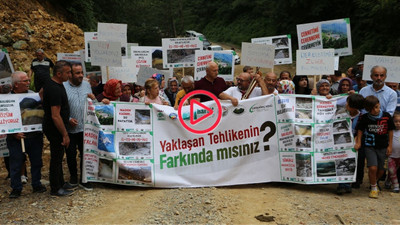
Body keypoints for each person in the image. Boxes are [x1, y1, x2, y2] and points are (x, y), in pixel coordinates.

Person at [7, 71, 46, 198]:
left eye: (29, 80)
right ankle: (16, 188)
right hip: (15, 139)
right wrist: (13, 133)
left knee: (37, 162)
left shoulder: (34, 96)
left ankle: (36, 184)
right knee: (16, 164)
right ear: (16, 84)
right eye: (25, 81)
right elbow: (3, 120)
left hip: (35, 136)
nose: (29, 83)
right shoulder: (6, 100)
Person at [42, 60, 74, 196]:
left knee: (59, 156)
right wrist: (65, 134)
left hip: (55, 126)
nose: (70, 75)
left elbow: (41, 93)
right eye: (68, 72)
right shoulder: (54, 89)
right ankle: (55, 188)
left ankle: (60, 182)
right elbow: (55, 115)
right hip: (55, 128)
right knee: (56, 158)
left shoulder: (53, 84)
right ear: (59, 74)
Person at [354, 95, 395, 198]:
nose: (376, 110)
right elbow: (360, 130)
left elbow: (390, 131)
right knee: (372, 168)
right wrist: (358, 142)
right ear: (368, 109)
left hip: (383, 146)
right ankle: (373, 188)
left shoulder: (386, 116)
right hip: (370, 146)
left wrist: (390, 145)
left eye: (377, 107)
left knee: (381, 169)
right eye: (372, 109)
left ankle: (374, 182)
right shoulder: (365, 118)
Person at [63, 63, 95, 191]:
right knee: (70, 155)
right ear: (70, 74)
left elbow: (91, 104)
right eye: (77, 73)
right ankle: (73, 178)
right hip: (69, 129)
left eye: (81, 72)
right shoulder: (63, 87)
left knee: (85, 154)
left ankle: (84, 179)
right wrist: (68, 119)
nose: (81, 75)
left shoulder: (87, 85)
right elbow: (59, 107)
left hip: (85, 128)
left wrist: (95, 100)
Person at [336, 94, 365, 195]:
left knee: (350, 163)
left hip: (354, 143)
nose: (346, 104)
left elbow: (360, 130)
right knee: (341, 161)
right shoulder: (341, 113)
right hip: (341, 143)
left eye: (348, 103)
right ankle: (341, 185)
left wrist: (357, 141)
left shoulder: (361, 117)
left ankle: (347, 184)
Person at [388, 111, 400, 193]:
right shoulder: (389, 131)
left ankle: (388, 181)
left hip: (399, 156)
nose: (398, 123)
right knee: (392, 170)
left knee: (395, 170)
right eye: (396, 121)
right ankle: (396, 186)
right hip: (390, 155)